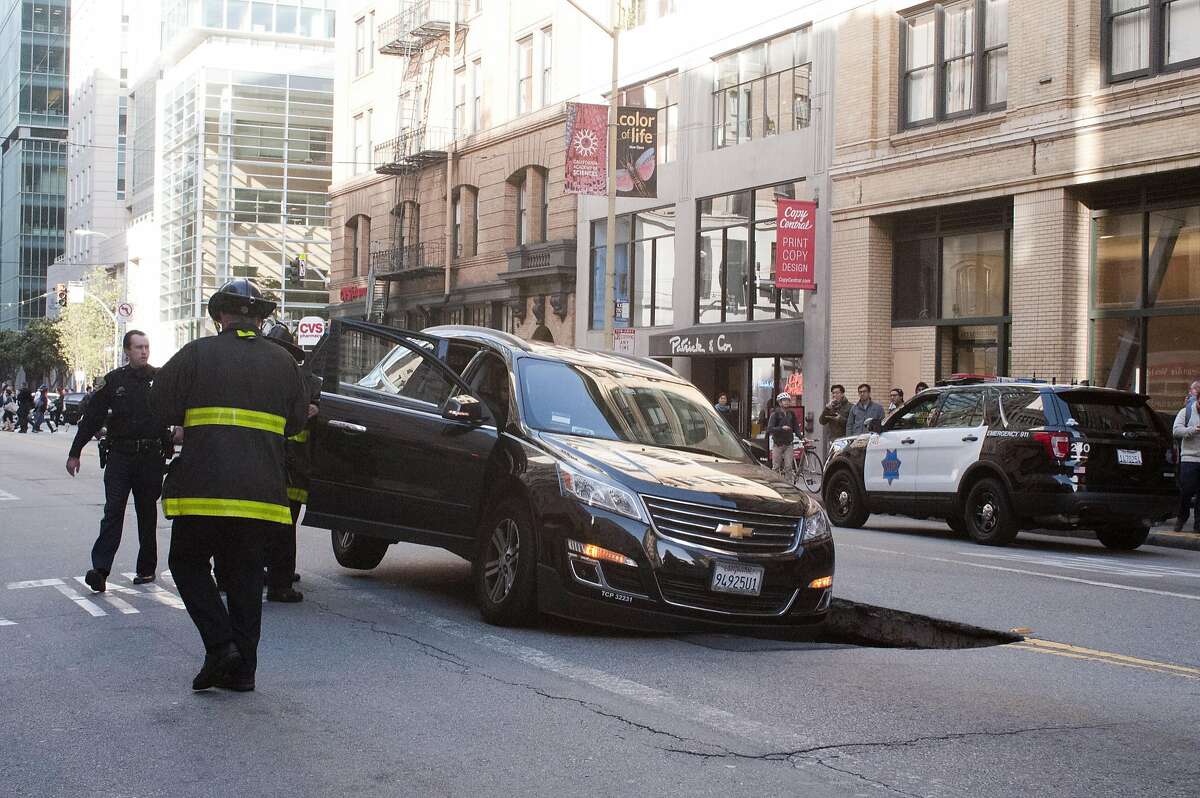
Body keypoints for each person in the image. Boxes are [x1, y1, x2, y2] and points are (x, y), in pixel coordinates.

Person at [151, 279, 307, 692]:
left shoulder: (197, 353)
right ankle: (243, 672)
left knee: (187, 563)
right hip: (261, 493)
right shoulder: (284, 363)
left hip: (203, 488)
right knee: (245, 578)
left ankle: (221, 646)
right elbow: (296, 423)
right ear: (260, 318)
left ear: (220, 315)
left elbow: (160, 406)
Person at [67, 331, 171, 593]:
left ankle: (146, 569)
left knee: (147, 513)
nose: (144, 352)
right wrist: (75, 452)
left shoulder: (160, 379)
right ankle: (100, 570)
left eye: (147, 347)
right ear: (127, 351)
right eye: (138, 347)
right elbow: (92, 419)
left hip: (149, 456)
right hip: (120, 457)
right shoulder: (113, 381)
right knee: (113, 511)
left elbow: (177, 409)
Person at [262, 321, 319, 604]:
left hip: (289, 466)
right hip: (278, 464)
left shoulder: (300, 379)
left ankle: (278, 576)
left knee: (282, 525)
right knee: (278, 525)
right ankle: (277, 579)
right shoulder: (295, 378)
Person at [1173, 380, 1200, 532]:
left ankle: (1198, 525)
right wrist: (1192, 430)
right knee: (1187, 491)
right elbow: (1176, 431)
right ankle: (1181, 517)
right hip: (1190, 458)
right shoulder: (1186, 412)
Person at [766, 392, 798, 481]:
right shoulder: (775, 414)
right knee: (776, 467)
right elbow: (770, 429)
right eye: (784, 400)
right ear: (780, 402)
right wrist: (781, 428)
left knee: (788, 467)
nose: (786, 402)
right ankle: (775, 484)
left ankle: (788, 485)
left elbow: (796, 427)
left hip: (788, 444)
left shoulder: (791, 413)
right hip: (778, 444)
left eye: (788, 400)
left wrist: (802, 437)